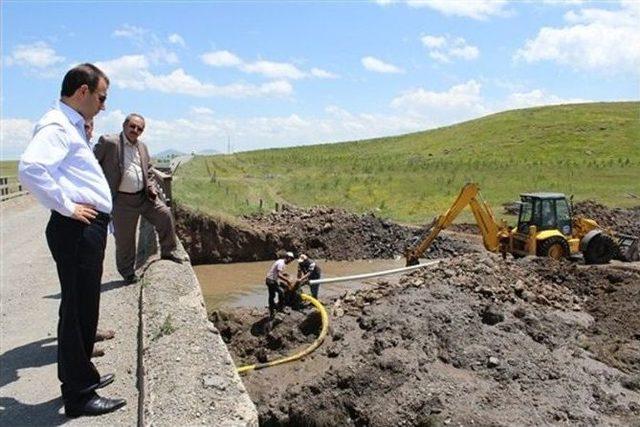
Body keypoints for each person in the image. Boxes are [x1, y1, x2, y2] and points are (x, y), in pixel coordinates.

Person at [19, 63, 126, 417]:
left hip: (84, 230)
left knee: (82, 307)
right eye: (101, 97)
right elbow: (31, 168)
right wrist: (67, 206)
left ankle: (85, 378)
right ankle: (79, 396)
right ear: (83, 91)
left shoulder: (71, 125)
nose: (104, 105)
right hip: (77, 230)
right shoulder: (56, 125)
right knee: (78, 312)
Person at [93, 113, 186, 284]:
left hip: (144, 197)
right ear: (124, 125)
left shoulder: (142, 147)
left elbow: (149, 171)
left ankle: (168, 251)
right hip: (122, 201)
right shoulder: (109, 142)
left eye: (140, 128)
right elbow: (90, 164)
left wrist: (151, 186)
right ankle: (128, 273)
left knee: (164, 214)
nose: (136, 130)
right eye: (133, 126)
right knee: (125, 240)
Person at [83, 118, 116, 357]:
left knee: (91, 283)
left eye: (89, 125)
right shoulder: (71, 146)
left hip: (96, 222)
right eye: (83, 124)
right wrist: (67, 207)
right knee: (80, 288)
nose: (88, 129)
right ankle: (81, 346)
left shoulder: (87, 147)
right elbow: (32, 171)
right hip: (81, 224)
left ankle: (87, 333)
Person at [265, 251, 295, 318]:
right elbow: (279, 275)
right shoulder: (281, 263)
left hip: (270, 279)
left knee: (272, 295)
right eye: (291, 260)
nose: (291, 262)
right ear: (288, 258)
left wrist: (284, 274)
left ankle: (272, 310)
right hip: (271, 281)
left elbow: (277, 272)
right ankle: (280, 308)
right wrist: (288, 281)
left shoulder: (281, 261)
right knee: (281, 292)